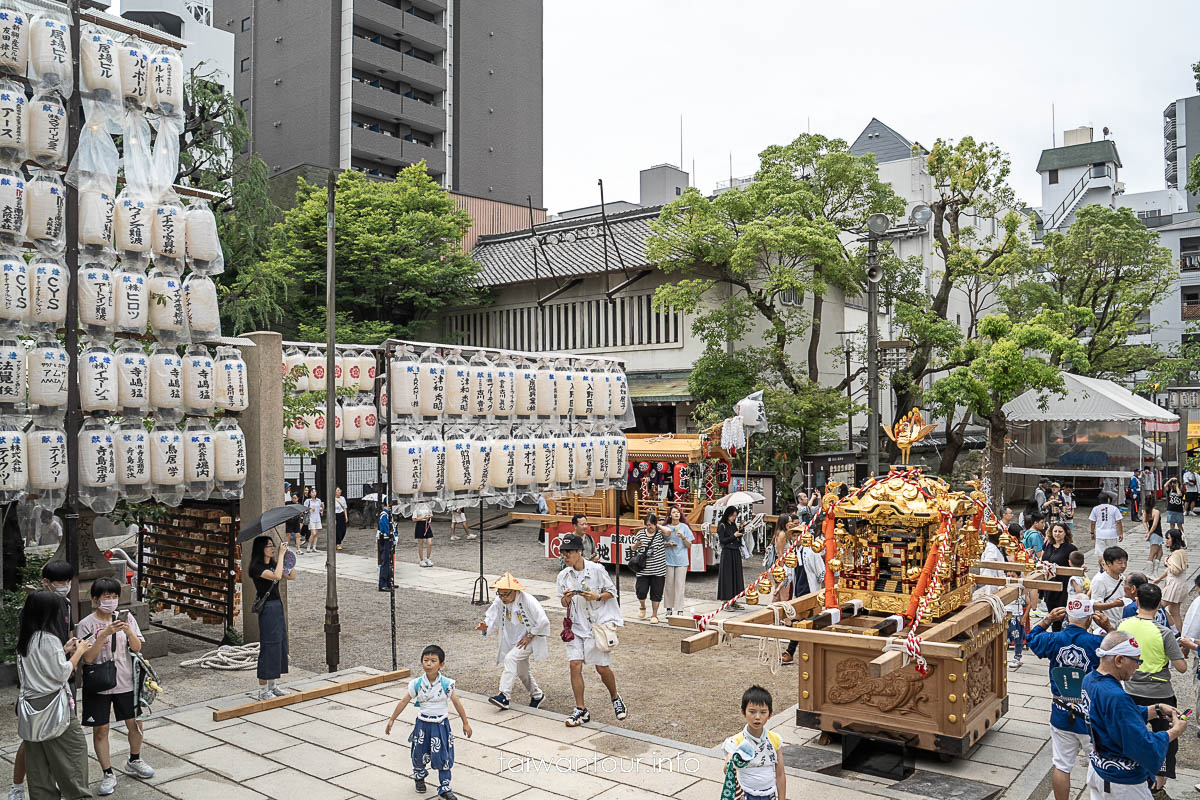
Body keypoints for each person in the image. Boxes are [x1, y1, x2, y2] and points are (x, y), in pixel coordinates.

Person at [1081, 631, 1187, 800]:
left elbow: (1115, 717)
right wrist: (1175, 731)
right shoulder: (1116, 696)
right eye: (1137, 661)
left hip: (1099, 769)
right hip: (1122, 782)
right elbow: (1142, 744)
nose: (1138, 666)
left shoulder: (1090, 679)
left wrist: (1156, 709)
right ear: (1119, 660)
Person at [1026, 597, 1112, 800]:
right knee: (1100, 764)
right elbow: (1122, 650)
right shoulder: (1096, 643)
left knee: (1062, 765)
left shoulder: (1054, 639)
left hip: (1061, 709)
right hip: (1091, 713)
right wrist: (1108, 627)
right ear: (1090, 619)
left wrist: (1046, 620)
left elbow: (1031, 638)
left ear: (1066, 617)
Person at [77, 578, 154, 794]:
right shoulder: (86, 624)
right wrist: (104, 634)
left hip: (126, 679)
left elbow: (138, 647)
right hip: (98, 682)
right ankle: (108, 773)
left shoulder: (126, 617)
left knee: (135, 722)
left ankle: (135, 759)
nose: (111, 601)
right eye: (106, 597)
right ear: (95, 599)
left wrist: (128, 631)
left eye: (114, 597)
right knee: (101, 728)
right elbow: (88, 658)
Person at [1117, 583, 1188, 800]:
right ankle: (1157, 786)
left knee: (1132, 733)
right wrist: (1180, 651)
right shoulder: (1164, 632)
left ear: (1136, 602)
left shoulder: (1124, 625)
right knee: (1165, 737)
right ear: (1159, 605)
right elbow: (1181, 668)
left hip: (1130, 690)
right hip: (1160, 693)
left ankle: (1129, 771)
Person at [16, 590, 89, 800]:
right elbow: (62, 674)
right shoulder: (48, 639)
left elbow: (42, 666)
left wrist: (64, 651)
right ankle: (78, 795)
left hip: (31, 705)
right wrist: (79, 652)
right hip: (52, 704)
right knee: (74, 750)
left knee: (37, 763)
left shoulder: (27, 637)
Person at [555, 533, 625, 727]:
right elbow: (562, 602)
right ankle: (581, 709)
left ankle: (615, 697)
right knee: (574, 664)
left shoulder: (596, 570)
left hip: (595, 625)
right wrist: (567, 598)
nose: (565, 556)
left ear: (579, 552)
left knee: (602, 668)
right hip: (575, 626)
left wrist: (596, 596)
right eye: (562, 553)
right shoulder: (563, 575)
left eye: (568, 552)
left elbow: (612, 592)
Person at [384, 645, 472, 800]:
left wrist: (465, 722)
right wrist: (392, 719)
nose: (429, 664)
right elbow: (405, 700)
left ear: (441, 664)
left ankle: (445, 787)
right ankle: (419, 776)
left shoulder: (446, 684)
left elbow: (457, 703)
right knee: (419, 753)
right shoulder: (417, 684)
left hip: (441, 725)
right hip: (423, 724)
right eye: (426, 660)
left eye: (433, 660)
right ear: (421, 662)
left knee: (443, 755)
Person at [475, 573, 548, 710]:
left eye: (506, 594)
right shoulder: (500, 601)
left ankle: (504, 696)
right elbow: (492, 617)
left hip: (530, 637)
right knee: (522, 671)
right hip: (514, 638)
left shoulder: (528, 600)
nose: (503, 598)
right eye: (500, 594)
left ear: (515, 591)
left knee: (510, 658)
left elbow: (543, 621)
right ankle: (537, 695)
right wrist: (485, 626)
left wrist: (530, 635)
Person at [249, 536, 294, 700]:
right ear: (261, 548)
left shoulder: (273, 564)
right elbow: (276, 576)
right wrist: (281, 556)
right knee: (268, 646)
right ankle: (263, 690)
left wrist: (289, 558)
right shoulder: (257, 567)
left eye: (272, 545)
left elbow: (291, 575)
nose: (272, 548)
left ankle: (273, 686)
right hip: (267, 608)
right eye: (269, 546)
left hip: (277, 605)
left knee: (279, 644)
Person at [721, 686, 785, 800]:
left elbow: (780, 774)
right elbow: (727, 770)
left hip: (769, 794)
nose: (757, 717)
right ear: (743, 712)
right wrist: (731, 760)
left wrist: (782, 798)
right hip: (745, 793)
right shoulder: (736, 741)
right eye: (752, 711)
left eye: (763, 712)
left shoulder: (775, 740)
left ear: (770, 714)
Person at [781, 519, 825, 665]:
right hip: (799, 591)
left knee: (809, 623)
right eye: (794, 536)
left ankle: (792, 652)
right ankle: (792, 652)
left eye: (799, 535)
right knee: (799, 623)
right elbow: (788, 573)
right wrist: (782, 584)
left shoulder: (812, 552)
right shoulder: (792, 553)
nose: (796, 538)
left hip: (811, 591)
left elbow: (821, 572)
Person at [632, 512, 667, 623]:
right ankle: (642, 606)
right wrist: (637, 545)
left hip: (658, 569)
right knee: (641, 592)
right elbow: (633, 548)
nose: (649, 527)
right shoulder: (641, 534)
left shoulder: (660, 533)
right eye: (647, 525)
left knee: (656, 593)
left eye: (651, 524)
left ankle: (654, 615)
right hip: (643, 569)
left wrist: (658, 526)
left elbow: (669, 532)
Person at [1042, 523, 1078, 630]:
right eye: (1055, 531)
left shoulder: (1070, 548)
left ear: (1065, 533)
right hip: (1049, 583)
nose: (1057, 534)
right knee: (1051, 612)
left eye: (1060, 531)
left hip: (1063, 584)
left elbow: (1076, 564)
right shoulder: (1047, 545)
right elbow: (1042, 560)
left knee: (1061, 613)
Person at [660, 506, 693, 617]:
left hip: (682, 560)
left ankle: (679, 609)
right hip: (668, 559)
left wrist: (683, 537)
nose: (676, 514)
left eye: (678, 512)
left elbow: (689, 545)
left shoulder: (684, 527)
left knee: (680, 585)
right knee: (668, 585)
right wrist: (668, 544)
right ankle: (669, 608)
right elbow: (659, 543)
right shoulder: (666, 528)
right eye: (674, 512)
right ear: (669, 515)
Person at [1153, 528, 1188, 632]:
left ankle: (1160, 628)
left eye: (1168, 538)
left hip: (1174, 585)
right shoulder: (1181, 551)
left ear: (1174, 539)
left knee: (1158, 607)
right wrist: (1159, 578)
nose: (1166, 541)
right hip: (1179, 584)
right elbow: (1171, 570)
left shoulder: (1176, 553)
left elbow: (1176, 570)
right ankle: (1179, 634)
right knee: (1174, 611)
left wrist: (1167, 561)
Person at [1091, 546, 1129, 630]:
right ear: (1109, 563)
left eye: (1125, 562)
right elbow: (1095, 605)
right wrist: (1114, 604)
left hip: (1119, 624)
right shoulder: (1100, 580)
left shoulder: (1123, 578)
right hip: (1103, 627)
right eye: (1119, 563)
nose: (1123, 566)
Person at [716, 507, 746, 609]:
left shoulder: (733, 525)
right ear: (727, 514)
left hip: (735, 551)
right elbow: (722, 540)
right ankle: (725, 601)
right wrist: (733, 536)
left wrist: (741, 527)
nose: (734, 518)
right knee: (727, 576)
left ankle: (733, 600)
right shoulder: (722, 525)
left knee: (735, 575)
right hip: (727, 552)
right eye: (732, 515)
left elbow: (739, 536)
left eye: (735, 516)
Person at [1090, 493, 1125, 566]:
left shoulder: (1095, 509)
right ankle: (1111, 567)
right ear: (1108, 500)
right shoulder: (1114, 508)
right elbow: (1118, 522)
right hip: (1111, 534)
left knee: (1101, 554)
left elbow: (1093, 522)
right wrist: (1120, 533)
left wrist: (1092, 532)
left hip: (1100, 534)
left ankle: (1102, 569)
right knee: (1112, 553)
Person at [1143, 494, 1164, 577]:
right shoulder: (1156, 512)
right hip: (1156, 533)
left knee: (1160, 553)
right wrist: (1149, 533)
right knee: (1152, 554)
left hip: (1155, 534)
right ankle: (1149, 573)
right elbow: (1155, 525)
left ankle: (1155, 572)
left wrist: (1148, 531)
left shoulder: (1146, 511)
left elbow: (1144, 521)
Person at [377, 505, 396, 592]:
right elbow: (384, 527)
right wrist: (391, 534)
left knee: (389, 561)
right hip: (385, 539)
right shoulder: (384, 515)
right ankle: (383, 583)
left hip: (389, 539)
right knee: (385, 561)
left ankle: (389, 581)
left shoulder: (388, 515)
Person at [414, 503, 434, 568]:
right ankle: (421, 560)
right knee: (420, 543)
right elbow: (414, 519)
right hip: (419, 525)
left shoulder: (427, 505)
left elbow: (431, 514)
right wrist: (423, 518)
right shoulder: (416, 506)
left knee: (430, 543)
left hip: (427, 524)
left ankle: (428, 559)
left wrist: (429, 516)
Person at [303, 488, 324, 554]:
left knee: (316, 534)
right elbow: (304, 509)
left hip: (317, 518)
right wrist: (310, 508)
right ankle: (308, 546)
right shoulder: (308, 501)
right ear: (310, 493)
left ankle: (314, 547)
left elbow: (320, 509)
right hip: (311, 518)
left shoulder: (318, 500)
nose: (314, 493)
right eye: (312, 492)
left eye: (315, 492)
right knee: (313, 533)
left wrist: (322, 508)